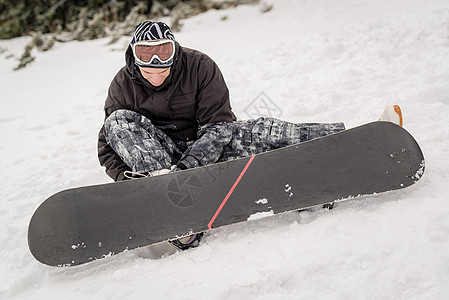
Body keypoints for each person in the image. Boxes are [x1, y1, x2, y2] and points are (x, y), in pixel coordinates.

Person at [98, 21, 400, 250]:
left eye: (163, 52)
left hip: (205, 149)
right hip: (162, 162)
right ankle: (172, 210)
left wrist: (188, 167)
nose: (155, 63)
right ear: (133, 56)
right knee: (117, 121)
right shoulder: (122, 85)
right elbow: (109, 143)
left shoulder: (200, 67)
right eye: (146, 54)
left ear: (174, 51)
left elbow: (220, 125)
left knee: (268, 130)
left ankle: (359, 140)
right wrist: (130, 185)